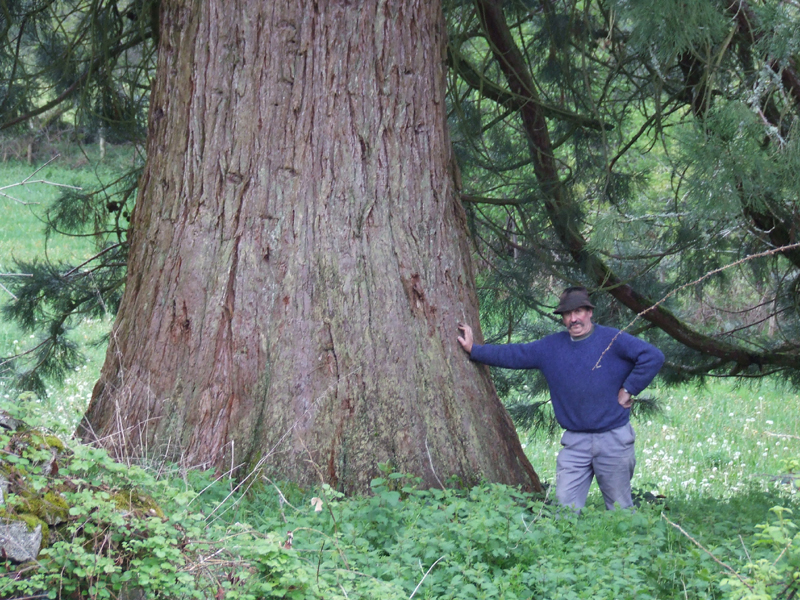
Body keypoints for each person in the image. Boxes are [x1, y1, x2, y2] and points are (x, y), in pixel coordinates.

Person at [457, 286, 664, 511]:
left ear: (590, 312)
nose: (573, 319)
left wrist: (629, 388)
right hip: (575, 442)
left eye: (578, 312)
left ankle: (626, 545)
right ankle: (568, 545)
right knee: (564, 510)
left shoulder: (613, 339)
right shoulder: (551, 347)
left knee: (620, 509)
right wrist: (474, 350)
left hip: (613, 438)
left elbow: (652, 356)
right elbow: (516, 354)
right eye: (567, 314)